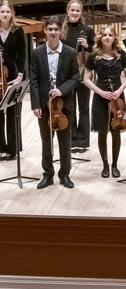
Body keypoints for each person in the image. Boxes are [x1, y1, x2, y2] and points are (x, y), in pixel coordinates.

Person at [29, 16, 80, 189]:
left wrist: (61, 90)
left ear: (61, 31)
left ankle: (64, 174)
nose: (52, 32)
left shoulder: (70, 52)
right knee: (46, 142)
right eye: (49, 29)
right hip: (44, 105)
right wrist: (35, 104)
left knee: (64, 142)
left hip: (64, 104)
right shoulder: (37, 53)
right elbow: (34, 81)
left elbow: (76, 78)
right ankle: (48, 175)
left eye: (55, 29)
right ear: (45, 30)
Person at [83, 26, 126, 178]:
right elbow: (86, 79)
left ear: (114, 37)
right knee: (102, 132)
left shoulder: (121, 54)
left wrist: (119, 91)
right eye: (104, 35)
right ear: (100, 37)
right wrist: (100, 92)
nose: (107, 37)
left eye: (110, 35)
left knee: (116, 130)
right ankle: (105, 165)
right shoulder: (93, 56)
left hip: (117, 98)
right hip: (100, 96)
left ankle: (115, 165)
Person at [61, 0, 95, 153]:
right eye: (72, 10)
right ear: (68, 11)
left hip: (82, 73)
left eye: (77, 10)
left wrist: (87, 46)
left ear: (81, 12)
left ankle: (83, 141)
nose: (74, 13)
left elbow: (96, 52)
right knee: (70, 107)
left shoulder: (87, 30)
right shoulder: (62, 30)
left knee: (84, 107)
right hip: (66, 74)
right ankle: (72, 139)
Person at [0, 0, 26, 161]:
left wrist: (20, 75)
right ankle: (0, 148)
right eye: (2, 11)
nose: (5, 14)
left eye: (7, 12)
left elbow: (22, 54)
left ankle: (13, 149)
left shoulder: (18, 30)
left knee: (13, 111)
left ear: (12, 13)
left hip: (13, 73)